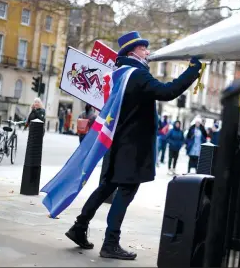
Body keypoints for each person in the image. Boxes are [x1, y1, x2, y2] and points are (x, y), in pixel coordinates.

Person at [65, 31, 202, 260]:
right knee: (125, 193)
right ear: (132, 52)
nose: (147, 52)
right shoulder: (137, 76)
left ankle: (79, 227)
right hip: (132, 148)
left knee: (105, 189)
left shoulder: (117, 74)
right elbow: (167, 92)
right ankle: (110, 243)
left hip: (116, 145)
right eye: (143, 48)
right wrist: (192, 70)